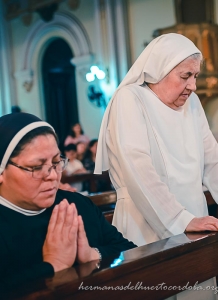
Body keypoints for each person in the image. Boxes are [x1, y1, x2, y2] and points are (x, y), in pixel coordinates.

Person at [95, 33, 218, 300]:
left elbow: (213, 158)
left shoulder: (193, 104)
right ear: (160, 68)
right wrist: (181, 220)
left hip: (194, 218)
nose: (193, 86)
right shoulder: (130, 99)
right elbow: (137, 168)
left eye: (196, 76)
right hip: (145, 221)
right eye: (185, 75)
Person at [0, 113, 136, 293]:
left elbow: (131, 252)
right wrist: (53, 265)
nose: (53, 175)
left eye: (56, 162)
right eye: (36, 167)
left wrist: (92, 255)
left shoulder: (77, 204)